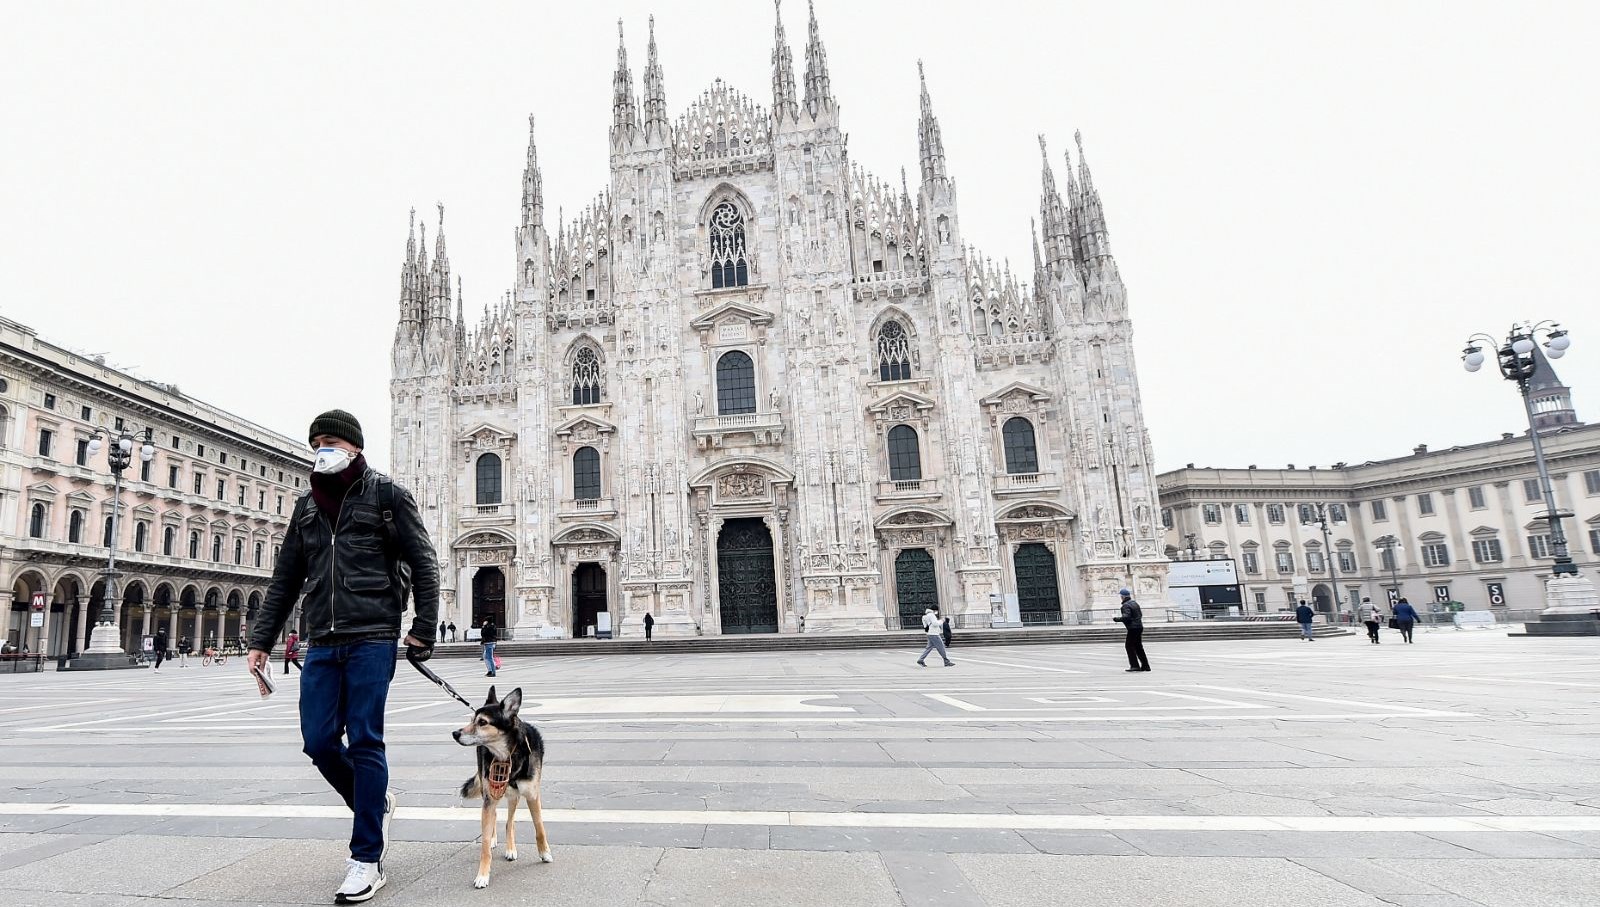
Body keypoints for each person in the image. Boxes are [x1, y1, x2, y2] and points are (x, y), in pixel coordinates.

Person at [246, 409, 439, 905]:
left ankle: (366, 857)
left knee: (366, 739)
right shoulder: (306, 506)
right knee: (318, 742)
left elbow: (424, 561)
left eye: (331, 441)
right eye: (316, 444)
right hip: (323, 639)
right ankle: (373, 802)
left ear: (354, 446)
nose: (322, 450)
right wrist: (261, 640)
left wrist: (423, 628)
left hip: (373, 633)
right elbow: (286, 577)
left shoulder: (387, 495)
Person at [1113, 587, 1151, 671]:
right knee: (1138, 647)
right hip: (1139, 626)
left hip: (1132, 628)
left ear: (1122, 596)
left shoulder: (1125, 605)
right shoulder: (1135, 603)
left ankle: (1134, 665)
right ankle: (1145, 665)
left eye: (1121, 596)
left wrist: (1116, 619)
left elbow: (1126, 617)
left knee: (1129, 646)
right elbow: (1140, 614)